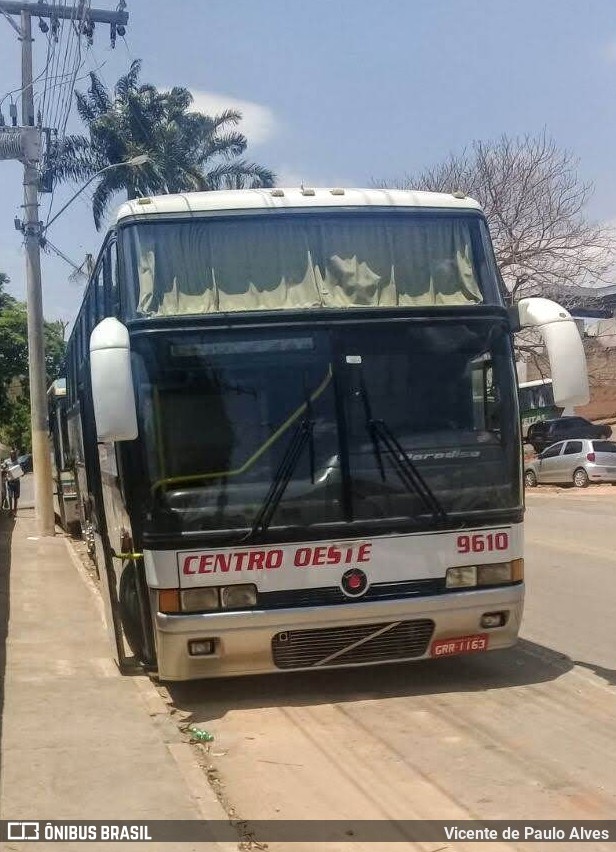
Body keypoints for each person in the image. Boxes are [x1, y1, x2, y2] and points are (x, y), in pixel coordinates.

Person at [2, 448, 21, 517]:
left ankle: (15, 511)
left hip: (17, 482)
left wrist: (21, 473)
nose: (13, 455)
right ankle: (10, 511)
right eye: (12, 454)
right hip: (10, 482)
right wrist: (5, 470)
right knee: (10, 496)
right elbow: (3, 469)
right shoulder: (7, 461)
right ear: (10, 455)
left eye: (14, 454)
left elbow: (20, 470)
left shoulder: (17, 461)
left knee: (16, 497)